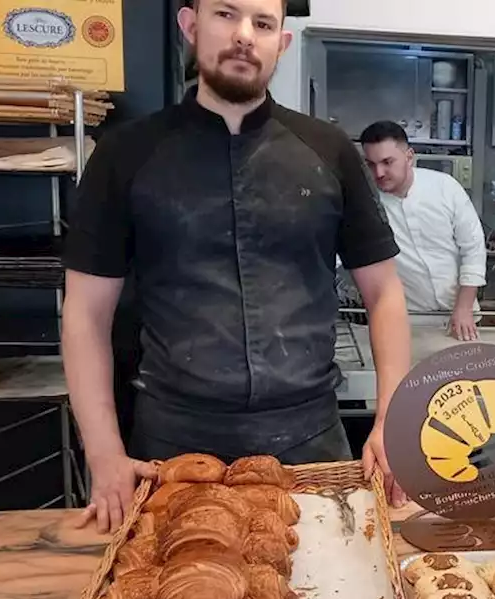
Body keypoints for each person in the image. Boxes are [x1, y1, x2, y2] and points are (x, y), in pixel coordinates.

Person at [62, 0, 411, 533]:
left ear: (282, 45)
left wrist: (392, 418)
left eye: (263, 24)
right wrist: (104, 451)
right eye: (226, 14)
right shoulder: (125, 154)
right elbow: (85, 313)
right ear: (190, 25)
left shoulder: (329, 150)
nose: (245, 35)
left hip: (310, 440)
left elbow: (384, 292)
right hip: (172, 447)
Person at [360, 121, 486, 341]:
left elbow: (473, 248)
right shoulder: (366, 204)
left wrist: (464, 307)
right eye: (370, 164)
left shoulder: (446, 188)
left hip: (462, 318)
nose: (378, 172)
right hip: (405, 321)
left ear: (409, 156)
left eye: (387, 162)